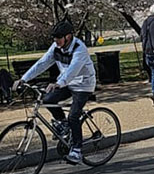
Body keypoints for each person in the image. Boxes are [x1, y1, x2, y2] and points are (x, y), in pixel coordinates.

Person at [14, 21, 96, 165]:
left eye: (58, 37)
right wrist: (23, 79)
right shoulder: (56, 47)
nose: (56, 41)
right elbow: (42, 63)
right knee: (47, 100)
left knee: (73, 116)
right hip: (66, 82)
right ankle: (63, 124)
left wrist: (58, 83)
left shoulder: (79, 49)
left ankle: (76, 150)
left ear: (68, 37)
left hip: (83, 85)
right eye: (54, 38)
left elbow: (73, 71)